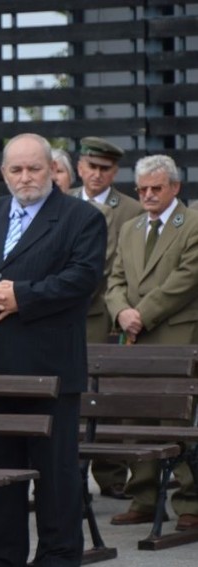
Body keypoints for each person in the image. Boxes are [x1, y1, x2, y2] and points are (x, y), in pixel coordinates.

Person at [0, 133, 106, 567]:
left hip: (49, 373)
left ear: (52, 169)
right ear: (3, 173)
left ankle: (57, 558)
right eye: (16, 169)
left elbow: (81, 279)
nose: (25, 177)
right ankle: (0, 559)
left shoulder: (81, 218)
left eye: (34, 168)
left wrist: (21, 296)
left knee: (56, 479)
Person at [105, 154, 198, 530]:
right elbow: (114, 279)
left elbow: (188, 276)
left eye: (156, 188)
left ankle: (190, 502)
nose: (148, 195)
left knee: (178, 418)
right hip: (134, 337)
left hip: (177, 334)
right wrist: (120, 311)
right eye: (141, 189)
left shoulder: (192, 224)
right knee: (135, 415)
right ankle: (143, 496)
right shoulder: (131, 227)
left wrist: (141, 312)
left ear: (175, 187)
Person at [70, 137, 143, 499]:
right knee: (66, 393)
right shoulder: (62, 201)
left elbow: (123, 265)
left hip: (102, 312)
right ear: (79, 166)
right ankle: (67, 475)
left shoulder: (130, 209)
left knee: (104, 394)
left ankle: (111, 476)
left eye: (105, 169)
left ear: (114, 172)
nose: (96, 175)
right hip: (60, 313)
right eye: (91, 167)